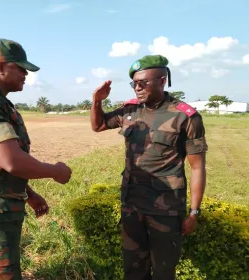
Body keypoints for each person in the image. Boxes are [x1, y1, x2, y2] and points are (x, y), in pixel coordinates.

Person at [0, 38, 72, 280]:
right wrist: (55, 171)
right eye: (20, 67)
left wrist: (28, 193)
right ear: (0, 67)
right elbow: (12, 161)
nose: (26, 74)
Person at [90, 55, 208, 280]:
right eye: (134, 83)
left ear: (162, 80)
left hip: (165, 208)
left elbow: (197, 167)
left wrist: (194, 212)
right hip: (131, 204)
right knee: (133, 269)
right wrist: (97, 101)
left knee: (164, 271)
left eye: (143, 82)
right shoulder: (130, 110)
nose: (137, 88)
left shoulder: (185, 116)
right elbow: (98, 125)